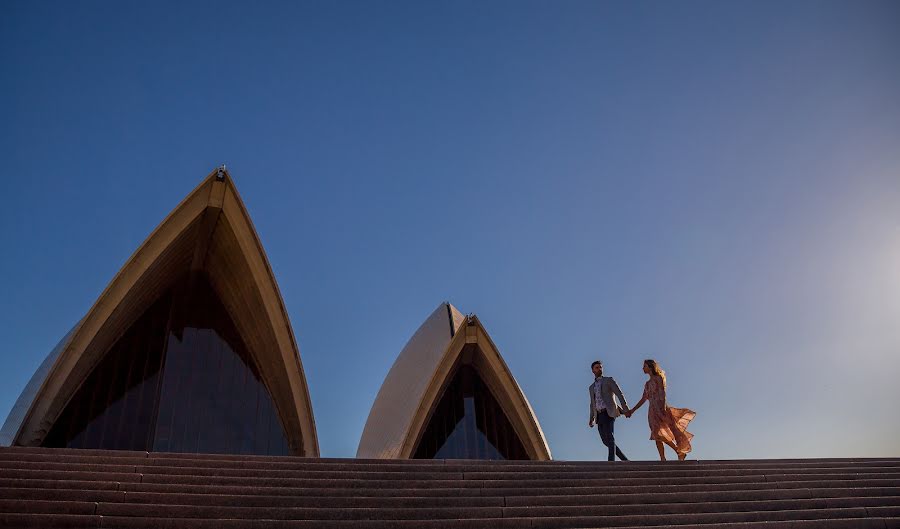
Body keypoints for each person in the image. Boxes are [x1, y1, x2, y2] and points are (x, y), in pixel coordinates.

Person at [625, 359, 695, 461]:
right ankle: (663, 458)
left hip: (661, 408)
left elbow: (663, 393)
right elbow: (643, 399)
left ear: (650, 367)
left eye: (644, 366)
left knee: (660, 433)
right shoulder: (647, 384)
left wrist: (662, 409)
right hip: (652, 411)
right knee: (655, 434)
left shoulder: (658, 378)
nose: (643, 368)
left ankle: (677, 451)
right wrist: (632, 410)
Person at [588, 360, 629, 461]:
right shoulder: (591, 387)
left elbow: (619, 394)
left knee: (610, 438)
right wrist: (591, 418)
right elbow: (592, 403)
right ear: (593, 370)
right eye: (597, 367)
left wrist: (625, 408)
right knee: (605, 441)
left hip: (609, 412)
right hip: (599, 415)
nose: (599, 369)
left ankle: (611, 463)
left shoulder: (608, 380)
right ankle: (625, 460)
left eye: (601, 367)